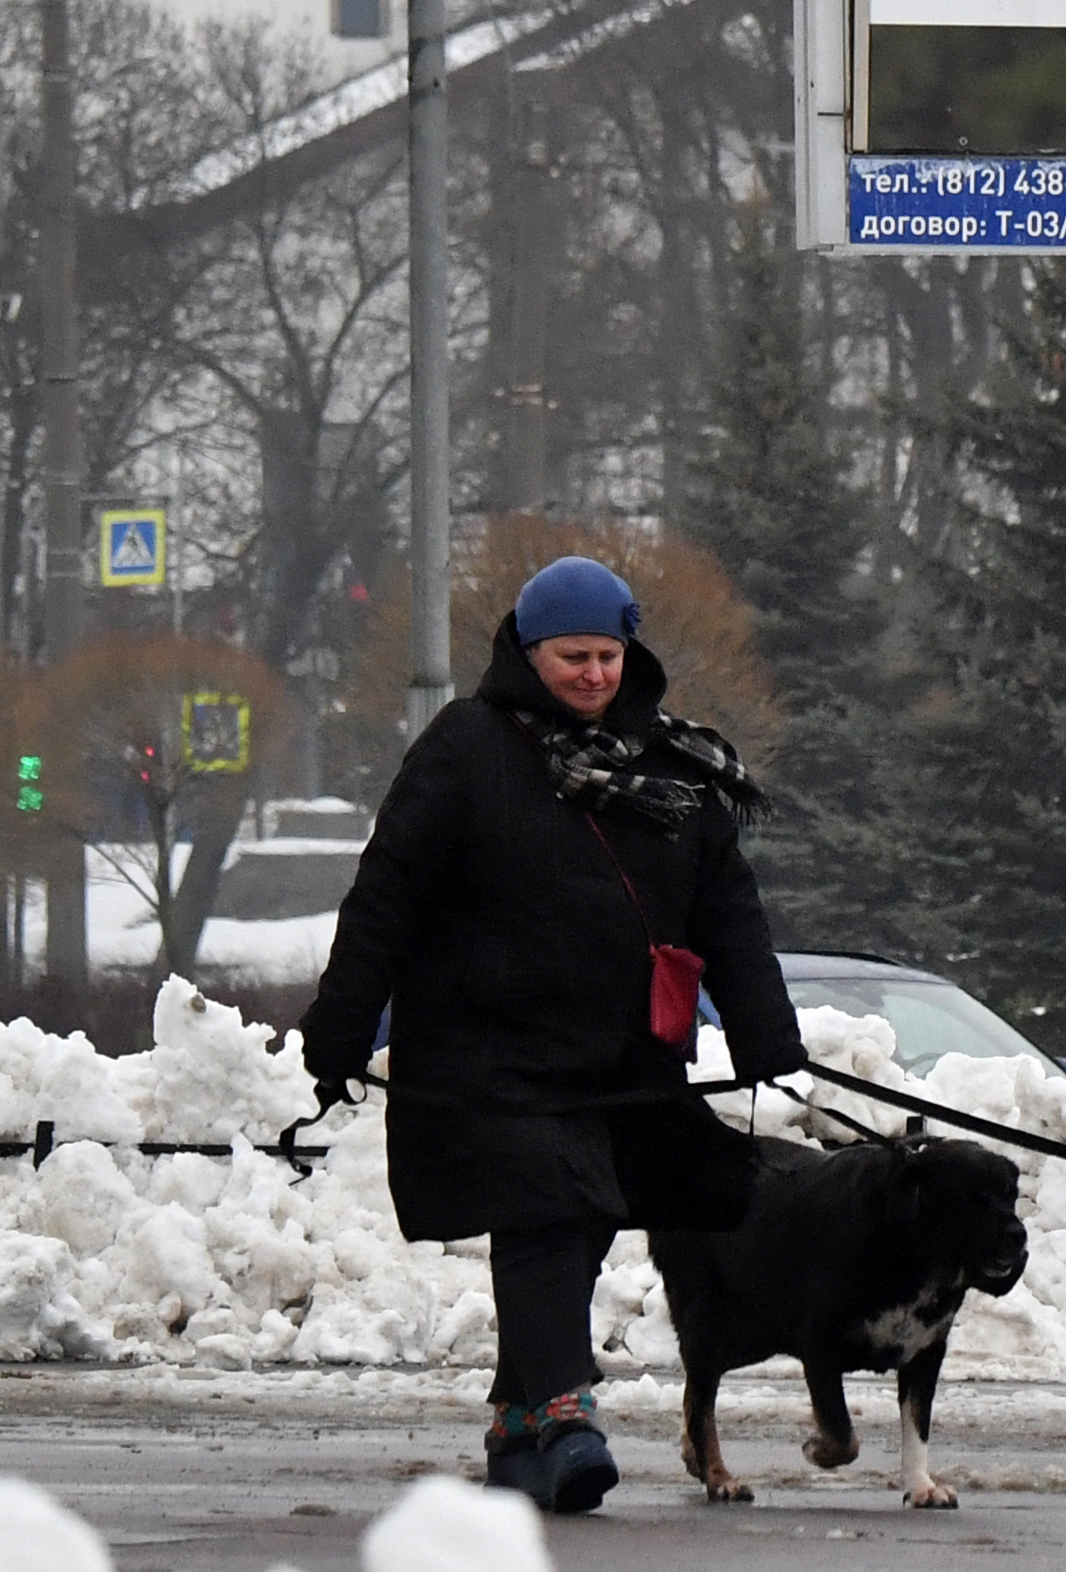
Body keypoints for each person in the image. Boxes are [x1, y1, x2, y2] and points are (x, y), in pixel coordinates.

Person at [302, 554, 803, 1512]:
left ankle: (516, 1426)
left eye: (608, 656)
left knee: (582, 1227)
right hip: (491, 1049)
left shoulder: (672, 762)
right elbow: (386, 896)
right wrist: (341, 1028)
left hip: (623, 1052)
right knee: (545, 1211)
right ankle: (570, 1416)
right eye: (573, 656)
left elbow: (726, 909)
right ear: (528, 653)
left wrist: (764, 1033)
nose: (593, 676)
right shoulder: (467, 748)